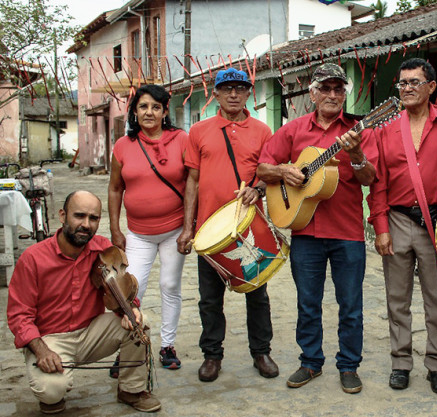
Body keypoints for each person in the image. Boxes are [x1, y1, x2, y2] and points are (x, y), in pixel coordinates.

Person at [257, 63, 376, 394]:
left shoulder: (358, 129)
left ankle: (349, 365)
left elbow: (370, 178)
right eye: (326, 88)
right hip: (304, 231)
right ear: (312, 93)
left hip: (347, 233)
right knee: (307, 302)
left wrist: (355, 154)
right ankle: (310, 361)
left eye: (339, 89)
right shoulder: (294, 129)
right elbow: (262, 167)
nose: (333, 95)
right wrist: (284, 171)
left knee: (350, 304)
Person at [6, 191, 161, 414]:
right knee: (51, 391)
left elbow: (121, 288)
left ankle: (131, 390)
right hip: (51, 339)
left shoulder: (102, 249)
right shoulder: (33, 258)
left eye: (93, 218)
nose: (86, 224)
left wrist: (131, 309)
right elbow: (19, 315)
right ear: (62, 215)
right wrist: (41, 351)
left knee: (140, 323)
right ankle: (52, 391)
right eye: (79, 216)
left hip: (90, 332)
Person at [367, 58, 437, 394]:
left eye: (414, 82)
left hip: (436, 222)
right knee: (397, 298)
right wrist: (380, 226)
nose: (407, 88)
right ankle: (401, 362)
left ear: (432, 87)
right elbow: (377, 183)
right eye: (402, 83)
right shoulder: (385, 129)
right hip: (395, 219)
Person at [176, 68, 278, 383]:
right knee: (209, 297)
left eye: (240, 88)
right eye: (226, 88)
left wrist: (257, 187)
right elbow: (192, 180)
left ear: (249, 93)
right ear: (216, 94)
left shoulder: (262, 131)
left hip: (248, 228)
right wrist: (187, 227)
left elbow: (269, 173)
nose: (233, 94)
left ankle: (261, 352)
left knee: (256, 291)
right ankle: (212, 355)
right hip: (209, 230)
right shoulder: (199, 131)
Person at [108, 84, 187, 371]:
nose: (149, 112)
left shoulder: (181, 140)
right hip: (138, 234)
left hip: (174, 230)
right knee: (128, 291)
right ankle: (129, 348)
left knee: (170, 285)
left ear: (165, 111)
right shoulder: (123, 146)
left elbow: (193, 184)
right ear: (135, 111)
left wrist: (189, 227)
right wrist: (115, 230)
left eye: (156, 106)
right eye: (143, 106)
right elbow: (115, 188)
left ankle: (167, 346)